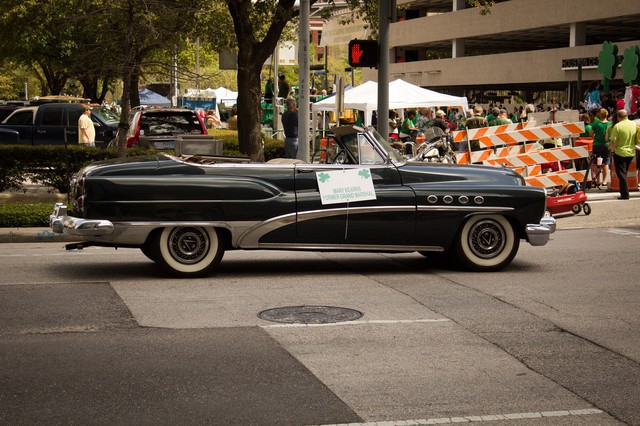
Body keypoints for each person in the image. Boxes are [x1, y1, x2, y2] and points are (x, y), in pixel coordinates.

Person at [608, 109, 638, 200]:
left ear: (618, 117)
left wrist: (612, 151)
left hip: (620, 152)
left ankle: (625, 194)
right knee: (624, 173)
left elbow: (613, 141)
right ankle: (624, 193)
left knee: (621, 174)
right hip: (631, 152)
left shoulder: (617, 126)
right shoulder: (634, 125)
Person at [590, 108, 612, 187]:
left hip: (597, 145)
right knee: (606, 162)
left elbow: (591, 133)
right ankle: (605, 180)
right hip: (606, 145)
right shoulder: (610, 124)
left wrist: (595, 137)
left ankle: (598, 180)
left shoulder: (596, 124)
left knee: (597, 163)